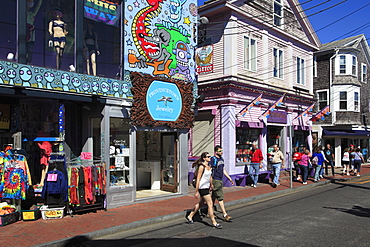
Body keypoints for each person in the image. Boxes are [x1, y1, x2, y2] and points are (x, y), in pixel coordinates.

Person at [186, 152, 222, 229]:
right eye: (208, 157)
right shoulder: (202, 167)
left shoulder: (209, 166)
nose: (210, 158)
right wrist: (196, 191)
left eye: (210, 156)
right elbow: (198, 179)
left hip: (206, 186)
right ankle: (214, 222)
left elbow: (210, 177)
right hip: (202, 187)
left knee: (201, 203)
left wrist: (211, 185)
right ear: (204, 158)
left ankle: (190, 216)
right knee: (210, 203)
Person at [210, 145, 234, 222]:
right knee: (220, 197)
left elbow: (223, 169)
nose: (222, 152)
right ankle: (225, 214)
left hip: (220, 179)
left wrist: (229, 178)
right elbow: (210, 170)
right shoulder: (213, 159)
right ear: (216, 152)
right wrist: (211, 182)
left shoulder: (221, 159)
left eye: (222, 150)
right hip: (215, 180)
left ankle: (209, 211)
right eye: (220, 151)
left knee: (213, 196)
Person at [26, 0, 43, 64]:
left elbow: (37, 7)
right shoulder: (23, 12)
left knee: (30, 47)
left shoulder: (31, 14)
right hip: (25, 29)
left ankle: (28, 61)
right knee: (24, 46)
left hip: (31, 31)